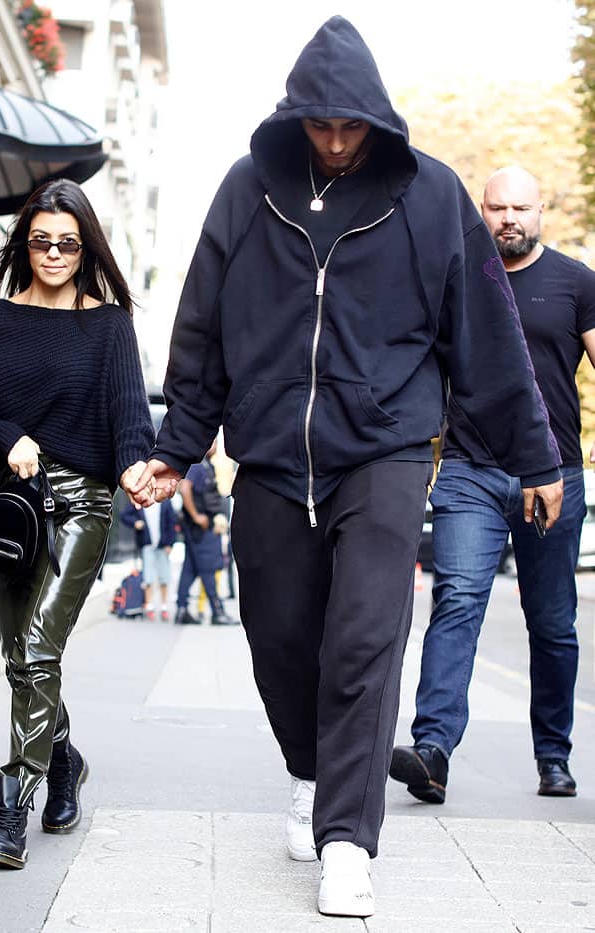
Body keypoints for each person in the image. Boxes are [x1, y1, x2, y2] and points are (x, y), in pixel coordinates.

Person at [127, 18, 562, 919]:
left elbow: (488, 337)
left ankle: (346, 842)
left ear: (377, 121)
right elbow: (202, 326)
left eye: (350, 126)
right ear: (296, 119)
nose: (334, 142)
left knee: (365, 637)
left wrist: (534, 457)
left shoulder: (433, 196)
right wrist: (178, 447)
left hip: (388, 449)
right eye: (320, 125)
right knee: (278, 636)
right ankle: (308, 770)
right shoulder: (248, 191)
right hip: (273, 454)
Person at [0, 178, 154, 869]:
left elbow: (129, 420)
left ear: (85, 246)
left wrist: (139, 467)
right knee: (18, 660)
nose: (53, 252)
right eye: (41, 240)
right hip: (10, 508)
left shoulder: (109, 324)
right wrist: (6, 436)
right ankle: (64, 760)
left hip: (83, 505)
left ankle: (9, 809)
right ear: (23, 243)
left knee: (36, 648)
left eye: (67, 241)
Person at [391, 166, 595, 804]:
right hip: (470, 472)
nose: (509, 219)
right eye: (497, 208)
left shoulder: (575, 284)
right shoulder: (457, 281)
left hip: (555, 472)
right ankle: (433, 751)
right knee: (456, 601)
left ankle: (553, 755)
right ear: (480, 212)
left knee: (554, 621)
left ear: (542, 212)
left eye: (521, 208)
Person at [174, 440, 239, 625]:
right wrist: (196, 516)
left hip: (199, 528)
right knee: (209, 568)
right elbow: (184, 488)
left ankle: (182, 609)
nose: (216, 445)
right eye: (214, 441)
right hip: (201, 528)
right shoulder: (197, 464)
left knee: (190, 568)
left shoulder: (203, 465)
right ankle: (217, 612)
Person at [120, 499, 178, 619]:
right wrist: (135, 522)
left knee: (164, 576)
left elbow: (171, 522)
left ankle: (164, 606)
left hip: (162, 545)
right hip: (147, 544)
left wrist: (170, 543)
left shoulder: (165, 501)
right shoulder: (141, 500)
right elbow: (124, 515)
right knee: (148, 577)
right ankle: (149, 606)